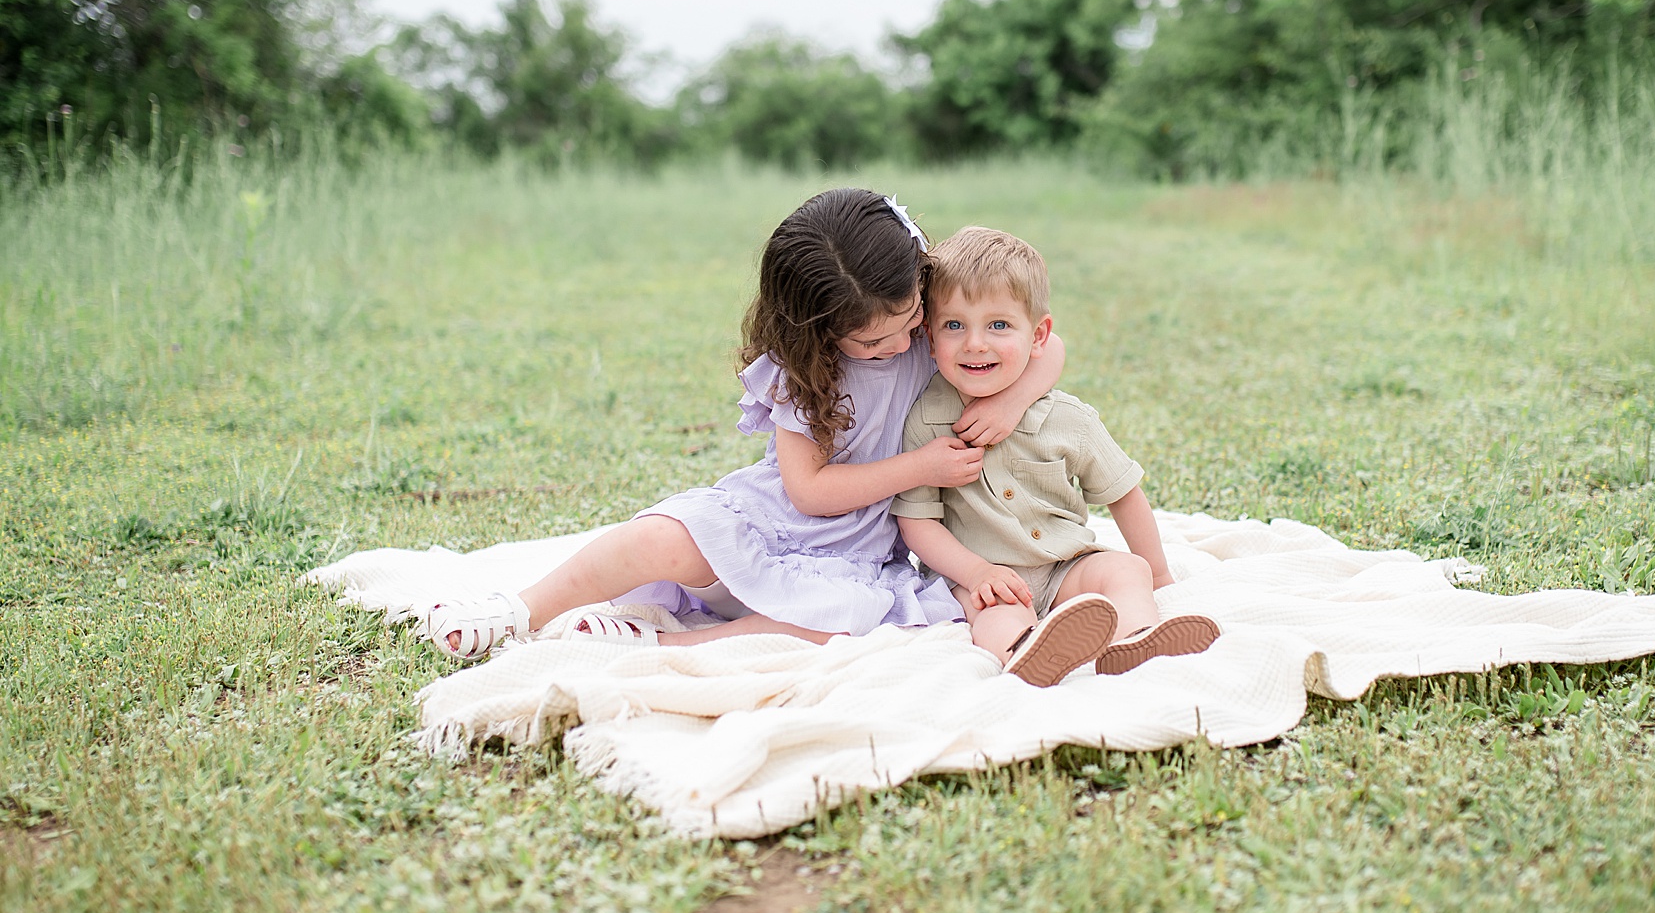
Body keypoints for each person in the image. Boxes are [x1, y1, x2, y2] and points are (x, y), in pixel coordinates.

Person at [423, 189, 1067, 659]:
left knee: (843, 622)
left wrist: (1009, 403)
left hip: (857, 550)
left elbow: (1049, 346)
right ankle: (521, 608)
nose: (902, 345)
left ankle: (671, 642)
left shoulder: (932, 328)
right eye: (873, 343)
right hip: (777, 522)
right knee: (659, 539)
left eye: (909, 322)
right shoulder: (804, 369)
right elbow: (808, 492)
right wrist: (922, 468)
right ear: (818, 331)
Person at [892, 227, 1221, 687]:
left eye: (999, 325)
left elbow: (1125, 495)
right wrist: (976, 571)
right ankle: (1026, 651)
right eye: (954, 326)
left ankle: (1137, 638)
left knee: (1125, 569)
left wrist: (1159, 574)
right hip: (984, 575)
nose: (975, 343)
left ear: (1039, 335)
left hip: (1066, 567)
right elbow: (917, 522)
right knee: (996, 610)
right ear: (929, 337)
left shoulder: (1068, 419)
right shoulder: (926, 422)